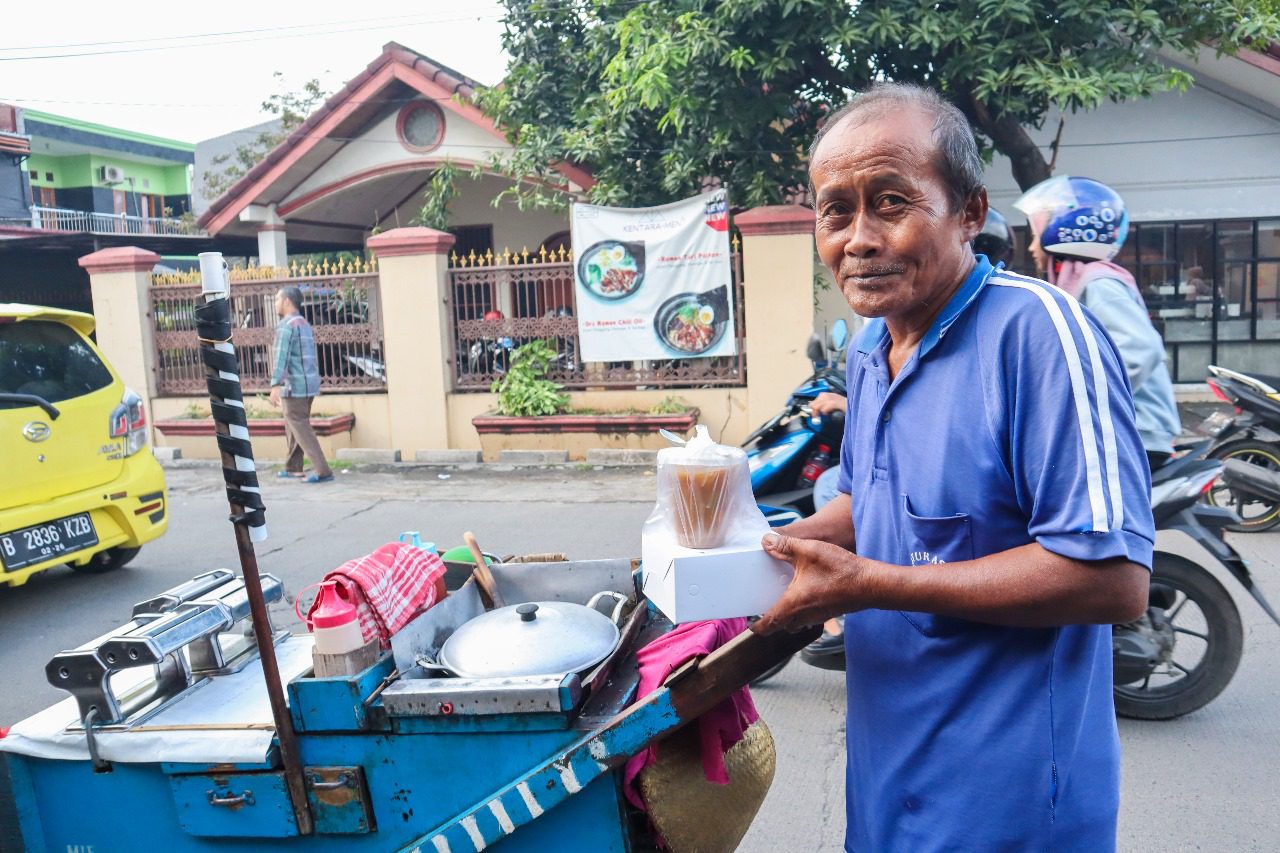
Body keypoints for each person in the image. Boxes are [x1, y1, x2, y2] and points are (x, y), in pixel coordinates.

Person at [753, 83, 1153, 851]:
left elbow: (1114, 579)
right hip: (887, 778)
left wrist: (870, 584)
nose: (858, 238)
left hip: (1010, 802)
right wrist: (755, 553)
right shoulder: (869, 347)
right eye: (836, 211)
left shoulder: (1039, 337)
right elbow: (872, 505)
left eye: (891, 202)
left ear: (969, 211)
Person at [1013, 176, 1182, 469]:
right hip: (1118, 431)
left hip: (1137, 432)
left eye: (1034, 235)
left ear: (1061, 232)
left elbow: (1141, 350)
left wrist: (1080, 396)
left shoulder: (1099, 284)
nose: (1030, 248)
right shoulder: (1080, 282)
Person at [270, 286, 333, 483]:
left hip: (295, 385)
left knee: (300, 426)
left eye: (277, 299)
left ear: (287, 301)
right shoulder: (304, 323)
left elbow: (281, 358)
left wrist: (275, 385)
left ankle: (322, 470)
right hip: (309, 385)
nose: (275, 303)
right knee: (293, 424)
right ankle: (293, 467)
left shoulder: (286, 325)